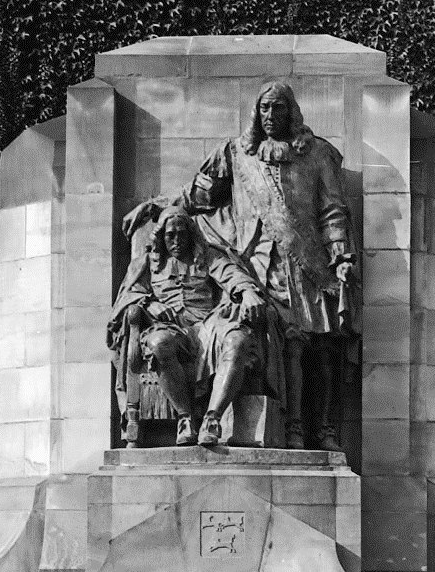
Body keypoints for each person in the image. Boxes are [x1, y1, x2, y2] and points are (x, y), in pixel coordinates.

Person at [124, 80, 359, 451]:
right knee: (283, 345)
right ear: (256, 111)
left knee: (322, 347)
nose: (270, 116)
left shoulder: (317, 154)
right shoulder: (236, 153)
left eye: (278, 108)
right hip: (256, 266)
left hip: (307, 263)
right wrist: (156, 205)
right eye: (264, 108)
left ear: (291, 111)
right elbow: (199, 196)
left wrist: (342, 257)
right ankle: (283, 425)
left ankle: (322, 428)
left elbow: (332, 210)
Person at [107, 205, 268, 448]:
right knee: (158, 343)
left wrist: (247, 292)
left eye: (181, 234)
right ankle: (185, 418)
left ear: (190, 234)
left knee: (238, 341)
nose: (176, 241)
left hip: (207, 325)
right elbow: (125, 300)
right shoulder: (147, 264)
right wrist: (149, 304)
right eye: (170, 235)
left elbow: (232, 274)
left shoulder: (206, 256)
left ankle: (212, 419)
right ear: (161, 236)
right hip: (171, 328)